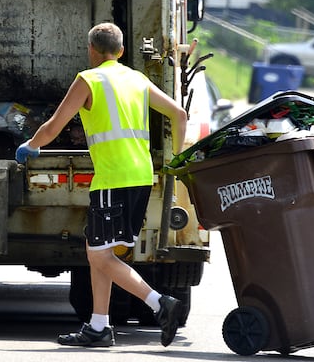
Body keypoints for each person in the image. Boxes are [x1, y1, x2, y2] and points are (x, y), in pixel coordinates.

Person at [15, 22, 188, 347]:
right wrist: (177, 162)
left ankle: (159, 303)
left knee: (100, 256)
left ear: (91, 50)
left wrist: (32, 146)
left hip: (113, 178)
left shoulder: (88, 80)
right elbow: (179, 115)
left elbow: (54, 126)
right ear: (121, 51)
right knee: (100, 251)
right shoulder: (136, 79)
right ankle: (98, 326)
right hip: (141, 176)